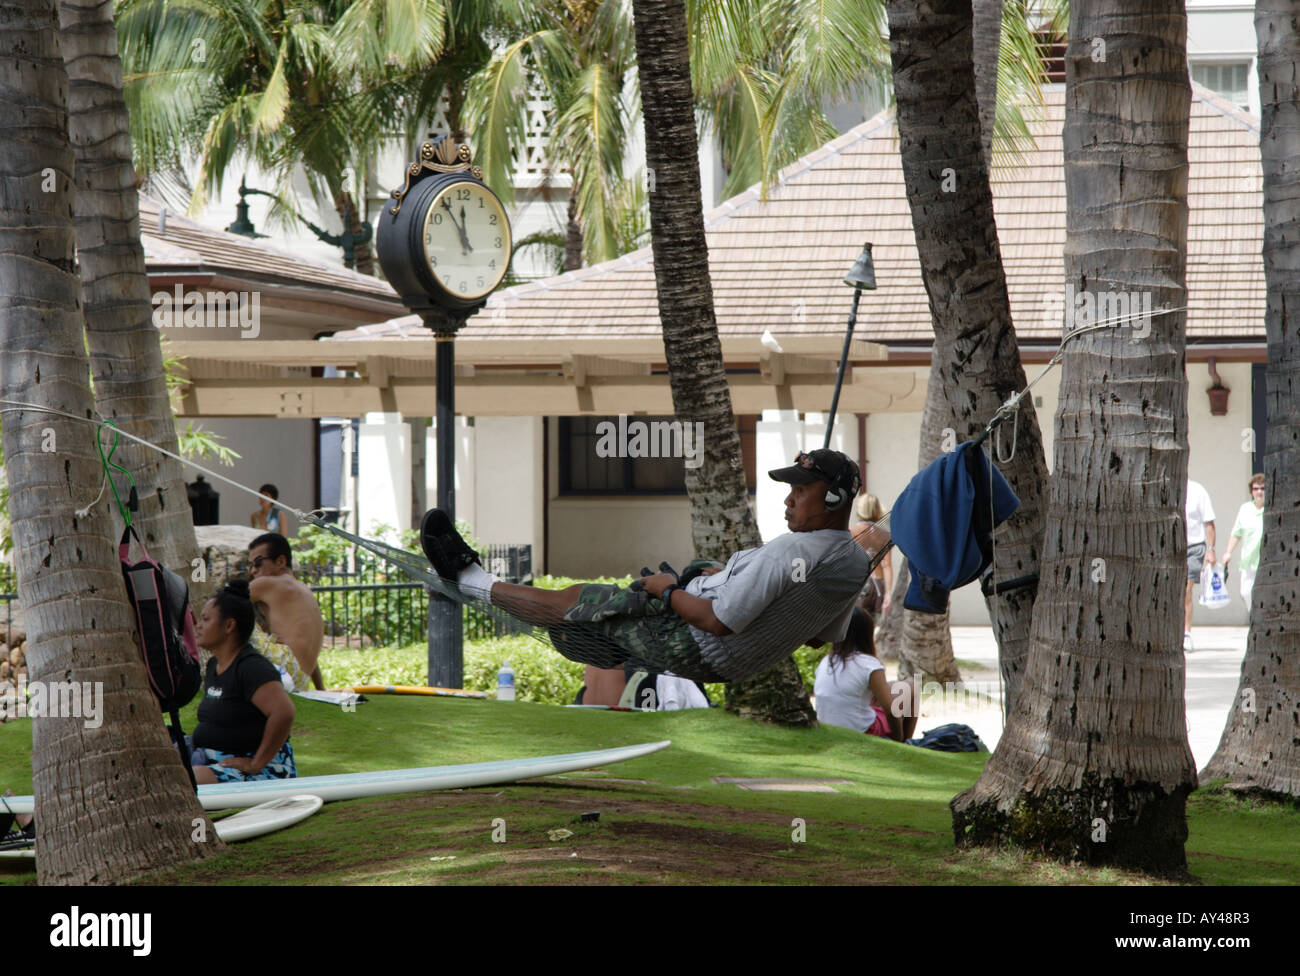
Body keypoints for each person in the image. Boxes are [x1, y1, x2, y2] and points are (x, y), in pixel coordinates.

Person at [420, 449, 873, 683]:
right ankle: (617, 640)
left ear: (833, 498)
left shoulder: (789, 553)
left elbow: (715, 622)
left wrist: (664, 591)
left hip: (699, 643)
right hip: (735, 659)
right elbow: (816, 637)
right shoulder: (852, 561)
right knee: (702, 568)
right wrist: (732, 586)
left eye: (801, 489)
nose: (789, 498)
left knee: (577, 600)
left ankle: (469, 578)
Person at [190, 580, 297, 784]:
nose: (198, 625)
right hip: (213, 760)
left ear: (229, 625)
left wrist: (255, 764)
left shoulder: (251, 668)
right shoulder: (214, 665)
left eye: (205, 619)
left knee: (188, 780)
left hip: (265, 770)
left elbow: (284, 712)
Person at [813, 608, 916, 741]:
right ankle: (906, 742)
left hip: (829, 728)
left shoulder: (826, 661)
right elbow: (891, 711)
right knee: (912, 686)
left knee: (891, 687)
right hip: (862, 730)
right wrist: (897, 738)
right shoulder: (869, 664)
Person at [248, 533, 326, 691]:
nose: (253, 571)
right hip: (300, 679)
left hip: (285, 668)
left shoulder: (269, 583)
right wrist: (321, 689)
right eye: (250, 565)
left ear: (281, 561)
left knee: (230, 613)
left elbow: (223, 602)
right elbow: (303, 648)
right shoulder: (304, 590)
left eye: (258, 563)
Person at [1222, 473, 1265, 605]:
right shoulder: (1245, 509)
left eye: (1263, 488)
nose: (1259, 492)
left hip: (1267, 561)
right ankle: (1254, 621)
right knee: (1246, 593)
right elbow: (1236, 533)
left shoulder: (1273, 509)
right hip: (1249, 562)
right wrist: (1228, 552)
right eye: (1256, 488)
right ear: (1251, 491)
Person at [1184, 478, 1216, 652]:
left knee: (1186, 590)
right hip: (1169, 545)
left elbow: (1209, 522)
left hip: (1193, 547)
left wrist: (1211, 549)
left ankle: (1186, 633)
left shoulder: (1197, 490)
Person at [851, 493, 892, 618]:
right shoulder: (884, 535)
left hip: (857, 583)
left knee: (853, 627)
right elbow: (887, 566)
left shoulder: (850, 532)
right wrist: (889, 594)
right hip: (877, 586)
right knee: (870, 627)